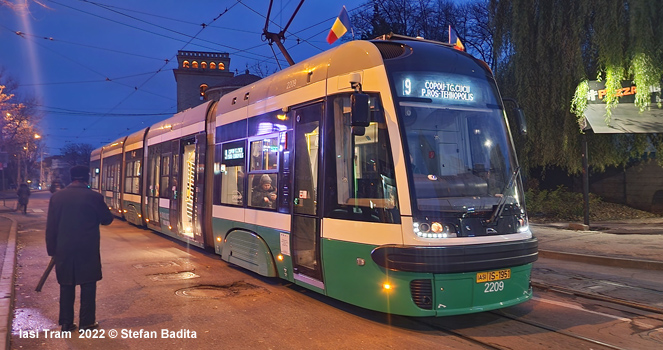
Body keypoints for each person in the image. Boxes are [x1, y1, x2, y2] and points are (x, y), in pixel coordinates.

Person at [45, 165, 114, 332]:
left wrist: (52, 250)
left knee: (66, 285)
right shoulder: (94, 197)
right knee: (88, 285)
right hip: (87, 250)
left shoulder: (57, 197)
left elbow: (51, 227)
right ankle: (87, 322)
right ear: (87, 178)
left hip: (64, 249)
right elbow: (107, 219)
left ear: (71, 177)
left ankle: (66, 323)